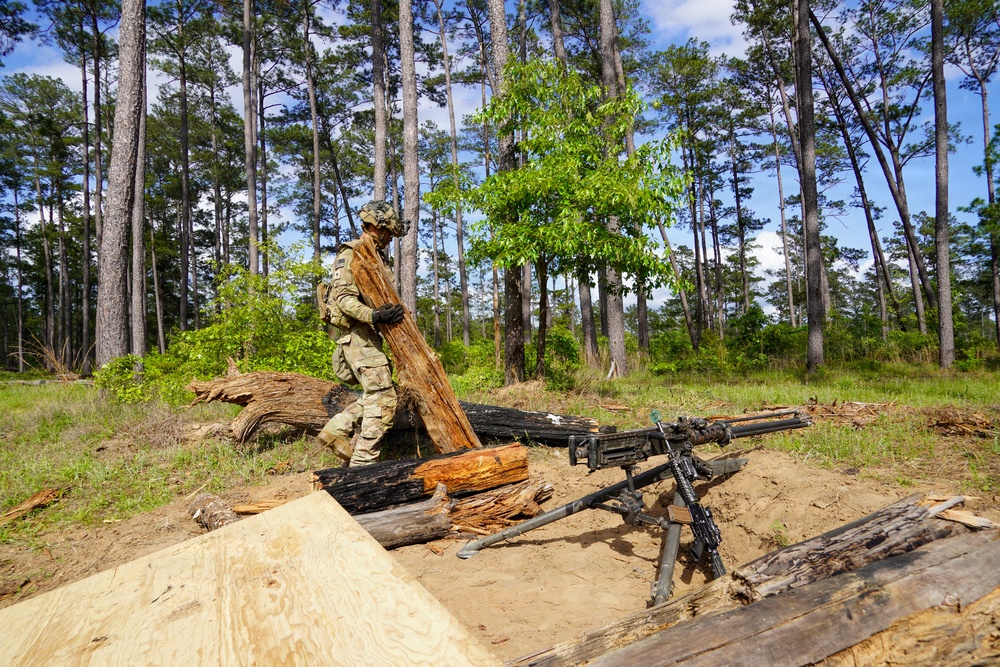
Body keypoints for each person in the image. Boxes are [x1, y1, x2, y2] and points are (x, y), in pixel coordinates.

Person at [316, 200, 408, 466]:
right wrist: (374, 316)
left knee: (377, 394)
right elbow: (343, 299)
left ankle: (336, 430)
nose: (390, 238)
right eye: (388, 232)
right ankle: (363, 465)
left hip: (367, 336)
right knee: (384, 399)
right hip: (357, 335)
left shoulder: (373, 255)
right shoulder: (351, 254)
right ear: (376, 227)